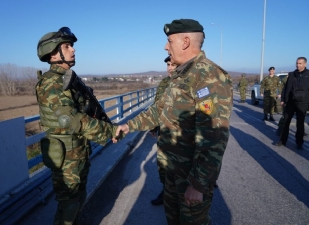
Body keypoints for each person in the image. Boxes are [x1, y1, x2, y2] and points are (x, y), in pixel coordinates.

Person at [114, 19, 233, 224]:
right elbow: (158, 111)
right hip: (172, 170)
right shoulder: (180, 76)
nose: (165, 46)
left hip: (190, 175)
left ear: (185, 42)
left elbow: (214, 136)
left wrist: (198, 183)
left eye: (169, 41)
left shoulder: (208, 76)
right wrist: (129, 125)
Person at [36, 27, 117, 225]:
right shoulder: (52, 83)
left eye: (72, 46)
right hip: (66, 157)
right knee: (69, 207)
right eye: (67, 46)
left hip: (78, 151)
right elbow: (71, 120)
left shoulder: (67, 79)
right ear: (53, 52)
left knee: (78, 201)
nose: (73, 50)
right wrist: (111, 131)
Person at [150, 56, 177, 206]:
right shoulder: (164, 83)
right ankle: (166, 191)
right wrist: (154, 126)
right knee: (162, 165)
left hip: (181, 137)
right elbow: (156, 106)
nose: (170, 68)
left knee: (179, 169)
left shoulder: (188, 82)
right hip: (164, 133)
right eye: (168, 65)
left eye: (173, 64)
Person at [276, 57, 309, 150]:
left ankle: (299, 142)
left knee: (300, 123)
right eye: (297, 63)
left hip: (302, 103)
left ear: (305, 64)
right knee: (286, 121)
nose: (298, 65)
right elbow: (286, 88)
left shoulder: (308, 74)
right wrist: (283, 99)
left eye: (300, 63)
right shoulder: (291, 74)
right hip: (290, 102)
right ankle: (282, 140)